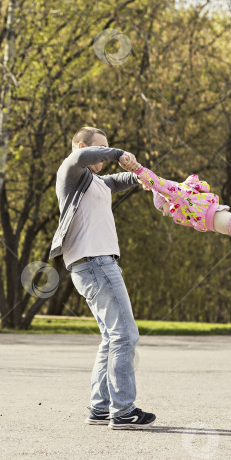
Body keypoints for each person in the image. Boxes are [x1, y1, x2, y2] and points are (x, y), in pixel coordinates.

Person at [50, 126, 156, 430]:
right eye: (103, 148)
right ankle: (123, 411)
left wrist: (141, 176)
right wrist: (120, 153)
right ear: (82, 146)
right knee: (126, 334)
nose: (106, 155)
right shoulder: (71, 171)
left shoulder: (95, 182)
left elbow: (117, 180)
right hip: (95, 263)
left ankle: (100, 408)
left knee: (111, 338)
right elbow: (84, 156)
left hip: (94, 265)